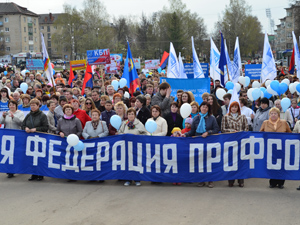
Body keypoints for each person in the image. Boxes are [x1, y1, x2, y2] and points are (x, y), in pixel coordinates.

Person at [183, 101, 219, 188]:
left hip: (209, 142)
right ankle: (201, 180)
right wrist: (185, 134)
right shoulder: (196, 118)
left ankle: (210, 180)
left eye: (206, 107)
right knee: (200, 162)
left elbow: (216, 129)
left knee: (209, 162)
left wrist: (208, 132)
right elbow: (192, 131)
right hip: (198, 143)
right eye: (203, 107)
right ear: (200, 108)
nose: (204, 108)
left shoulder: (212, 118)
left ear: (208, 109)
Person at [260, 107, 292, 189]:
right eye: (272, 113)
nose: (273, 115)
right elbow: (260, 134)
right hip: (270, 147)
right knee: (271, 165)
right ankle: (273, 182)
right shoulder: (265, 123)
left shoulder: (284, 122)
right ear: (269, 114)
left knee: (281, 165)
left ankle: (281, 182)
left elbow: (290, 133)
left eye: (275, 113)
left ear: (278, 115)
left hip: (282, 147)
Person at [221, 101, 249, 187]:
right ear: (230, 108)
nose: (234, 109)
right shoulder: (225, 117)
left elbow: (246, 128)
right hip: (230, 142)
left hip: (240, 142)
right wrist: (232, 131)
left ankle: (241, 180)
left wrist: (240, 133)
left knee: (241, 161)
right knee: (231, 161)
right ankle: (231, 180)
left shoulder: (243, 117)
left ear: (238, 108)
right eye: (232, 107)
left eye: (236, 107)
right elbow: (223, 129)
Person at [119, 108, 148, 186]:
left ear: (135, 115)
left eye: (132, 114)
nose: (131, 115)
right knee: (127, 163)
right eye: (129, 114)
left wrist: (137, 135)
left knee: (136, 162)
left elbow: (145, 134)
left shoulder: (139, 123)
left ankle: (137, 179)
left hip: (136, 147)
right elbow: (119, 133)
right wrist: (124, 136)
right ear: (127, 115)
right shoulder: (124, 123)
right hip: (126, 147)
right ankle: (128, 179)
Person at [22, 99, 49, 181]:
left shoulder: (42, 115)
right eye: (31, 105)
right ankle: (33, 174)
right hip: (30, 139)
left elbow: (46, 127)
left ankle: (40, 174)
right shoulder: (28, 115)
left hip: (39, 139)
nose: (32, 107)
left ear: (38, 106)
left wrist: (36, 129)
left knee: (39, 157)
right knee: (31, 157)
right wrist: (25, 128)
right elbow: (23, 125)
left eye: (34, 105)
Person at [0, 100, 24, 178]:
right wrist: (3, 116)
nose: (11, 106)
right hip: (7, 136)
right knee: (8, 153)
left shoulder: (20, 113)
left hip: (17, 135)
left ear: (16, 105)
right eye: (10, 105)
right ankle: (10, 170)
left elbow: (22, 123)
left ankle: (16, 168)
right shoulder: (6, 112)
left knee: (16, 153)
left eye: (13, 105)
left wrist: (14, 117)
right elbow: (1, 122)